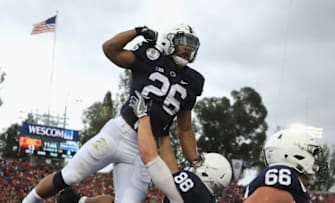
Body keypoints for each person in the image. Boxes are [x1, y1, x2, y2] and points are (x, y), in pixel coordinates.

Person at [23, 23, 204, 203]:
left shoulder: (193, 81)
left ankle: (80, 201)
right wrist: (137, 31)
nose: (188, 48)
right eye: (183, 41)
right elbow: (110, 49)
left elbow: (185, 129)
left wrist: (195, 162)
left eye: (192, 44)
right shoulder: (151, 56)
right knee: (70, 176)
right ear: (169, 40)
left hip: (144, 147)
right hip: (118, 132)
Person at [56, 91, 233, 203]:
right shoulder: (205, 197)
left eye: (201, 162)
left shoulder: (192, 188)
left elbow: (151, 158)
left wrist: (143, 117)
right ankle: (81, 201)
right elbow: (171, 173)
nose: (196, 162)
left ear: (207, 173)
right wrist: (164, 132)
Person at [243, 125, 329, 203]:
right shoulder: (279, 186)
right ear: (297, 154)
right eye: (312, 153)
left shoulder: (292, 187)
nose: (315, 160)